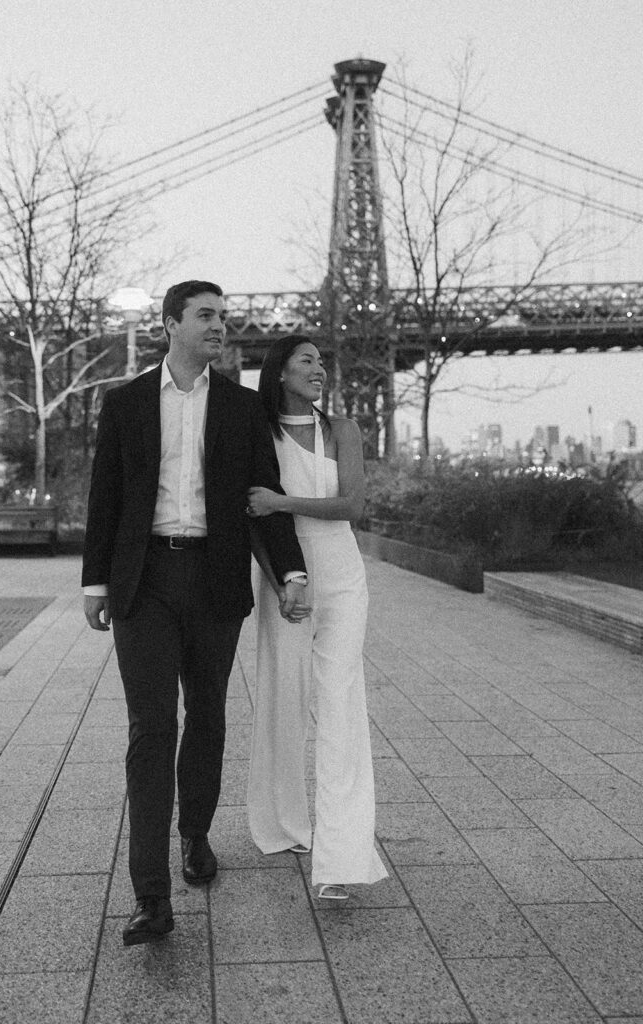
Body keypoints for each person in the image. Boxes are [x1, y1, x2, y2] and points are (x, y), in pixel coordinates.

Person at [82, 281, 309, 946]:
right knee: (151, 727)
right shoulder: (124, 402)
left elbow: (261, 499)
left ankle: (195, 834)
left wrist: (290, 571)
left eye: (222, 317)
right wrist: (96, 582)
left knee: (206, 712)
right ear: (170, 323)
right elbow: (106, 495)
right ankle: (151, 897)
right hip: (143, 580)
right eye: (205, 316)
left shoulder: (241, 408)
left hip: (214, 578)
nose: (218, 326)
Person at [245, 336, 387, 900]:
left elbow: (353, 507)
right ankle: (283, 824)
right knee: (284, 696)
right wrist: (281, 581)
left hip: (343, 574)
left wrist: (283, 503)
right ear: (279, 372)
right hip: (287, 576)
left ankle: (342, 855)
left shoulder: (342, 430)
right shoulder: (260, 434)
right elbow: (251, 518)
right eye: (307, 360)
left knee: (340, 701)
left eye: (322, 361)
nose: (319, 369)